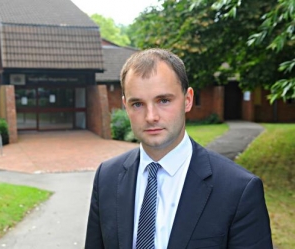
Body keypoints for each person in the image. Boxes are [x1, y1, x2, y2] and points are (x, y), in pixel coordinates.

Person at [85, 48, 273, 249]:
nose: (151, 117)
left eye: (163, 100)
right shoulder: (107, 177)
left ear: (188, 99)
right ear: (125, 106)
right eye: (138, 104)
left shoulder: (239, 189)